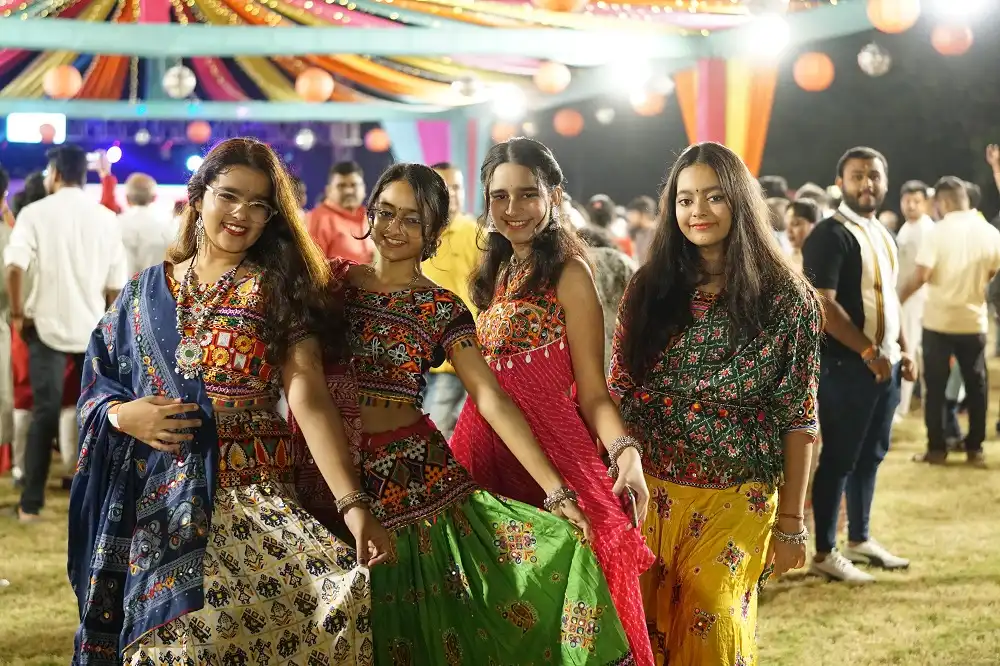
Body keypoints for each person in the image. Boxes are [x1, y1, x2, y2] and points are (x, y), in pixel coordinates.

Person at [298, 162, 636, 665]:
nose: (394, 228)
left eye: (412, 219)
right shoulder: (330, 285)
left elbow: (491, 398)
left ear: (434, 231)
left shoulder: (442, 307)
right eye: (385, 213)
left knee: (418, 628)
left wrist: (556, 490)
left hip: (411, 480)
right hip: (322, 471)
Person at [69, 138, 388, 665]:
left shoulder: (277, 291)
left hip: (248, 488)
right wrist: (124, 416)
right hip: (156, 497)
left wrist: (352, 506)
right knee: (171, 646)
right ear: (198, 198)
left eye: (259, 204)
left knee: (308, 612)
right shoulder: (143, 292)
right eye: (229, 196)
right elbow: (98, 382)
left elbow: (307, 395)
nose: (241, 213)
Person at [610, 142, 820, 664]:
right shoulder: (650, 288)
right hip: (647, 492)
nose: (697, 211)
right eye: (685, 200)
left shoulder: (787, 298)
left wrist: (792, 522)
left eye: (714, 197)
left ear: (740, 202)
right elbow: (619, 388)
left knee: (713, 618)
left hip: (736, 495)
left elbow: (799, 416)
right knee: (642, 630)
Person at [452, 138, 655, 665]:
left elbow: (593, 392)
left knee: (592, 555)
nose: (512, 209)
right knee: (499, 599)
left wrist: (626, 453)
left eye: (527, 194)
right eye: (499, 197)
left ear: (554, 195)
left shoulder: (569, 273)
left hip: (553, 447)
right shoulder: (497, 273)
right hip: (484, 446)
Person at [802, 146, 914, 583]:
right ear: (841, 183)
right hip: (847, 366)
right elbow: (823, 305)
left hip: (885, 364)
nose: (867, 183)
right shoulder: (829, 234)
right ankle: (825, 551)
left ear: (885, 181)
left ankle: (859, 538)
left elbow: (889, 298)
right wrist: (868, 351)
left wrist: (903, 349)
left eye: (874, 175)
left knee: (872, 455)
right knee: (840, 458)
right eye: (857, 176)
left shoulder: (882, 232)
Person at [4, 145, 129, 522]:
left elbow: (14, 266)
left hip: (45, 327)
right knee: (95, 414)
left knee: (44, 413)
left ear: (55, 173)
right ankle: (98, 502)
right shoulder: (105, 217)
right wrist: (109, 328)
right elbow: (115, 286)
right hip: (92, 328)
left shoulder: (35, 213)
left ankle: (30, 504)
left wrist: (17, 312)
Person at [899, 176, 1000, 467]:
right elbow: (992, 273)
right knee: (977, 387)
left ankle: (936, 448)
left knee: (935, 388)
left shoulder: (937, 232)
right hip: (973, 321)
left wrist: (897, 299)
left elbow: (921, 276)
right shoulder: (990, 232)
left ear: (943, 202)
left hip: (938, 321)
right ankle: (974, 448)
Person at [419, 162, 480, 439]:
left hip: (456, 356)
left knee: (438, 433)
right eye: (445, 188)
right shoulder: (414, 234)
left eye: (457, 187)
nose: (453, 194)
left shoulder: (476, 236)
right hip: (414, 358)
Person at [306, 161, 374, 263]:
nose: (348, 191)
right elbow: (313, 265)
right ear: (328, 190)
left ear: (363, 189)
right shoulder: (319, 219)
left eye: (354, 185)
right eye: (341, 186)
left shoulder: (370, 217)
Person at [118, 173, 176, 276]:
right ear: (154, 198)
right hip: (158, 284)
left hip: (123, 285)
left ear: (127, 198)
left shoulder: (116, 224)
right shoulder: (168, 226)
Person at [785, 199, 820, 273]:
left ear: (813, 225)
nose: (788, 230)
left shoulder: (821, 259)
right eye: (786, 224)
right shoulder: (785, 259)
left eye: (795, 223)